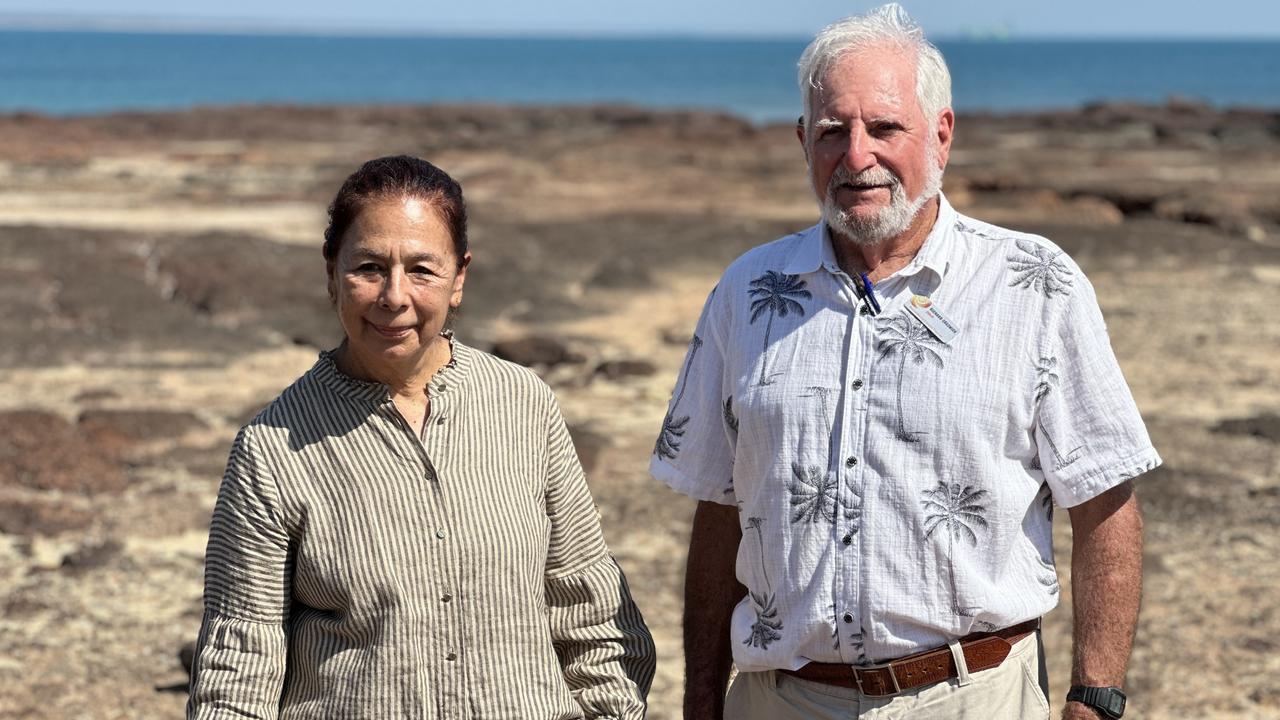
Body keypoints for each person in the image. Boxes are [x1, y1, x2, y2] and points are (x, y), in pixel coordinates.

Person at [649, 5, 1158, 719]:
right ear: (804, 142)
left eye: (885, 128)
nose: (857, 156)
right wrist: (701, 698)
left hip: (973, 696)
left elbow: (1103, 500)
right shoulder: (747, 291)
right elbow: (720, 506)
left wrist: (1094, 697)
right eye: (833, 132)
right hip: (777, 699)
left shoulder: (1035, 283)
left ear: (941, 134)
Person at [188, 155, 656, 719]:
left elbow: (590, 613)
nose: (393, 296)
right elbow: (238, 666)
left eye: (422, 270)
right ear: (330, 272)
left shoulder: (523, 404)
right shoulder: (271, 450)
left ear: (459, 278)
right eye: (367, 267)